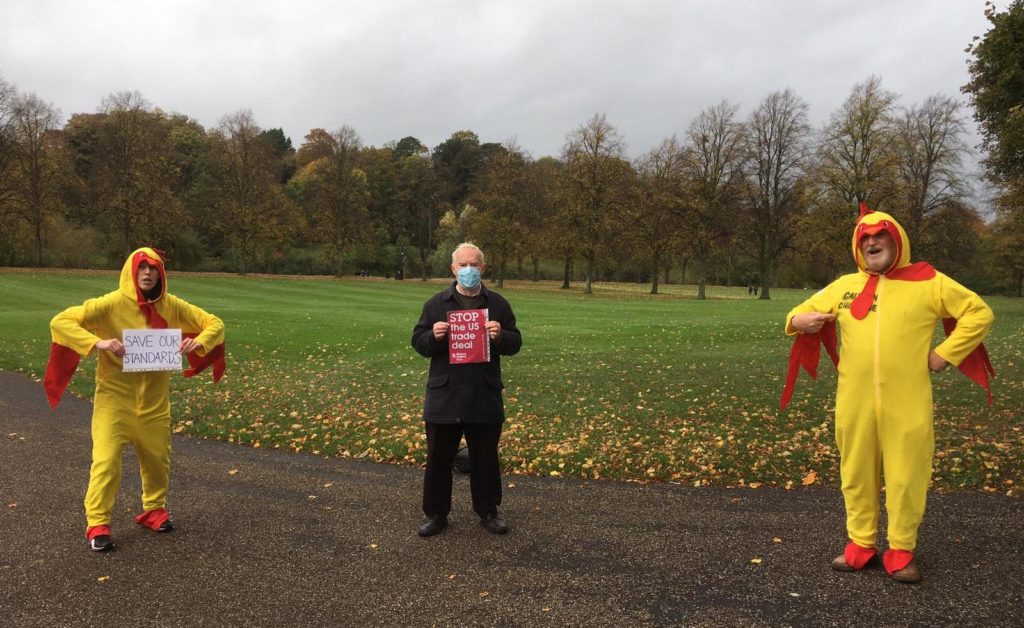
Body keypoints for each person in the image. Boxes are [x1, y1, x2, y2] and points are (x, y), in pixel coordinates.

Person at [782, 203, 993, 583]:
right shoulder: (845, 286)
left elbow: (978, 312)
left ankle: (901, 549)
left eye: (881, 236)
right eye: (865, 237)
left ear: (898, 242)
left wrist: (944, 355)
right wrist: (800, 320)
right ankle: (860, 544)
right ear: (856, 245)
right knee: (855, 472)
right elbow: (798, 313)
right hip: (854, 401)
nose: (872, 242)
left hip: (908, 402)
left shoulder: (930, 282)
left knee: (906, 475)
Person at [45, 247, 225, 552]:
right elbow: (61, 321)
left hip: (155, 404)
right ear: (131, 271)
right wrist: (98, 342)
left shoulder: (172, 305)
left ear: (160, 274)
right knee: (106, 461)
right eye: (141, 268)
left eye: (153, 269)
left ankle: (153, 510)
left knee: (157, 460)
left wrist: (199, 341)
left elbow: (215, 323)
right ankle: (98, 523)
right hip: (114, 400)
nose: (147, 274)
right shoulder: (110, 304)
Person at [411, 242, 522, 537]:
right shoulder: (436, 304)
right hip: (444, 394)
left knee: (485, 456)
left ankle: (488, 511)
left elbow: (516, 343)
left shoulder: (498, 304)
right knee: (438, 457)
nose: (469, 270)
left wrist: (500, 337)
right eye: (463, 265)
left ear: (483, 268)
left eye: (474, 265)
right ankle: (436, 514)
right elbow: (418, 342)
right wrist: (433, 337)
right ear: (453, 269)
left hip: (483, 392)